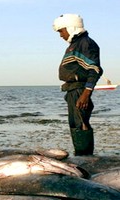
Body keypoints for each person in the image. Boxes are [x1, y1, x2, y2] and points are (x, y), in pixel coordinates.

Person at [53, 14, 103, 156]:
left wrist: (86, 94)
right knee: (75, 123)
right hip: (72, 89)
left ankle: (84, 156)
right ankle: (82, 154)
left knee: (80, 123)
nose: (61, 35)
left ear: (71, 28)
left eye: (61, 31)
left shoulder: (85, 43)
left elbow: (94, 69)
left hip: (79, 90)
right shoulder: (75, 45)